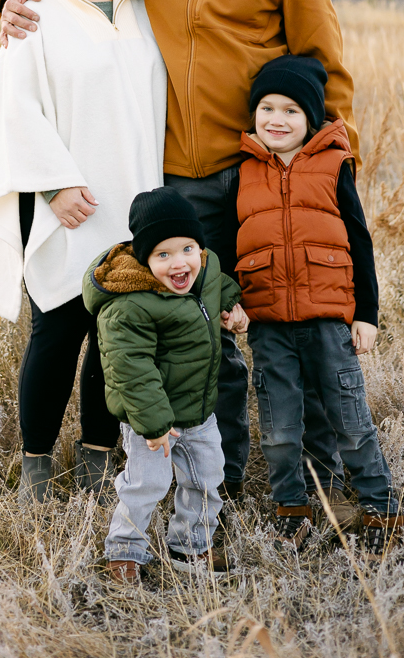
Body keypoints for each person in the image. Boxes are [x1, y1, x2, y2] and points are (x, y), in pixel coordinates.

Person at [0, 0, 359, 496]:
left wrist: (333, 165)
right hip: (170, 182)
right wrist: (12, 6)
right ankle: (208, 485)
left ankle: (317, 476)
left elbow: (325, 68)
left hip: (257, 175)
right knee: (195, 337)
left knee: (287, 325)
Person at [0, 0, 167, 505]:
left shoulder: (145, 10)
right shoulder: (37, 16)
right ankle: (34, 469)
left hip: (134, 197)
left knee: (118, 332)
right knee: (57, 329)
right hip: (68, 205)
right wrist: (53, 185)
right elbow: (13, 108)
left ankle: (97, 459)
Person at [236, 54, 403, 556]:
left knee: (349, 420)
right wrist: (233, 302)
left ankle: (381, 505)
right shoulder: (242, 171)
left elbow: (359, 239)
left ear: (310, 119)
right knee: (280, 428)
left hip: (330, 320)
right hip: (268, 325)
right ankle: (293, 509)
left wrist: (366, 314)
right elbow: (228, 243)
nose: (276, 120)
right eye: (267, 108)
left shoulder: (333, 163)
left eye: (291, 110)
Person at [82, 187, 249, 584]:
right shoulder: (129, 305)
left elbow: (218, 283)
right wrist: (154, 425)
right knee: (146, 484)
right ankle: (124, 550)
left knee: (207, 477)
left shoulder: (204, 268)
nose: (180, 263)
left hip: (200, 410)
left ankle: (189, 546)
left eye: (188, 249)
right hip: (151, 421)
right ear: (144, 258)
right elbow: (130, 369)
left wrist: (233, 306)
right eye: (163, 255)